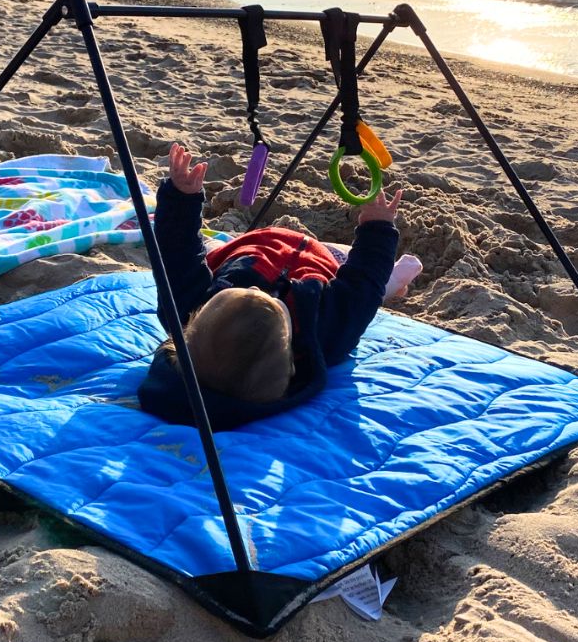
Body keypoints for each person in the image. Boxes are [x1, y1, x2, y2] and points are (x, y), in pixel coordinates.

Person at [138, 142, 403, 430]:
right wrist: (377, 228)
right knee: (375, 287)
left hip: (245, 247)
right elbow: (363, 284)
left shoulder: (187, 309)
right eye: (266, 299)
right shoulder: (326, 334)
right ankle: (399, 279)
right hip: (322, 259)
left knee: (209, 249)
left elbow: (177, 253)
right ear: (289, 358)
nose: (256, 290)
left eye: (238, 294)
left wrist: (181, 197)